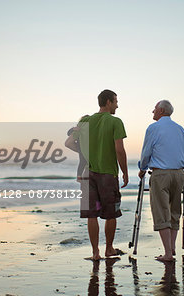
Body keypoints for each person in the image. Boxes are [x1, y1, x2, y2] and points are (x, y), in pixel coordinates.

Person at [66, 89, 129, 260]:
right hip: (108, 174)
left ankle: (95, 253)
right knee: (111, 214)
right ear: (108, 102)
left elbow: (69, 142)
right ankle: (109, 249)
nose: (117, 105)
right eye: (116, 101)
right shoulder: (115, 121)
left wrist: (85, 151)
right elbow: (119, 150)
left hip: (88, 174)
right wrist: (125, 172)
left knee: (91, 215)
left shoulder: (85, 121)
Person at [138, 100, 184, 262]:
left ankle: (168, 253)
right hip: (178, 174)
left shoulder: (153, 128)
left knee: (162, 212)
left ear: (161, 110)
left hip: (160, 174)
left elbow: (147, 151)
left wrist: (142, 168)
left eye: (154, 109)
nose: (152, 111)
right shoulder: (180, 129)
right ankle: (172, 248)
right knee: (174, 211)